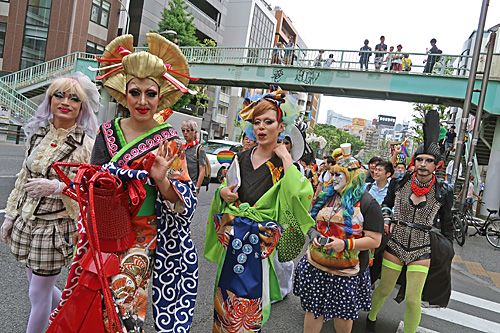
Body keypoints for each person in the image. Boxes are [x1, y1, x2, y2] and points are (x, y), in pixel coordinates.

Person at [49, 33, 199, 333]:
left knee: (126, 300)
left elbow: (183, 200)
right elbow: (89, 183)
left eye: (151, 94)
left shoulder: (170, 140)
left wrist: (161, 180)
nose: (142, 101)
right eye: (135, 92)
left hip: (144, 233)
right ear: (124, 94)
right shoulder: (107, 132)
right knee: (96, 294)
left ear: (161, 96)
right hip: (104, 226)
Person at [204, 85, 315, 332]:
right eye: (256, 122)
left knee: (252, 295)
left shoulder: (284, 164)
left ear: (281, 126)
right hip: (234, 234)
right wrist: (223, 193)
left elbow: (300, 195)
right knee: (225, 290)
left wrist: (287, 158)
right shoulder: (241, 157)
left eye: (269, 122)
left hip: (260, 239)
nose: (261, 127)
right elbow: (225, 188)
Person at [0, 73, 99, 333]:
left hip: (55, 228)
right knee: (36, 283)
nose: (65, 102)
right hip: (28, 221)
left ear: (82, 107)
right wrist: (10, 216)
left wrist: (58, 187)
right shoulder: (37, 136)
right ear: (49, 99)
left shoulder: (86, 145)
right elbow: (23, 177)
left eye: (74, 98)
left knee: (37, 294)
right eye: (59, 95)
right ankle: (72, 317)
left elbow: (91, 187)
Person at [366, 110, 454, 333]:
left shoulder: (444, 190)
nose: (423, 164)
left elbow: (447, 222)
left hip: (423, 248)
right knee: (384, 289)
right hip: (395, 243)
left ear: (437, 165)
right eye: (420, 160)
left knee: (414, 300)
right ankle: (371, 320)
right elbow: (385, 203)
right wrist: (386, 217)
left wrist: (449, 248)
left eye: (429, 161)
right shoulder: (401, 181)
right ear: (414, 163)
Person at [294, 143, 384, 333]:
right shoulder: (326, 197)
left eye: (338, 174)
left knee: (342, 317)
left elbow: (374, 240)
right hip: (316, 266)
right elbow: (309, 222)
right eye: (332, 174)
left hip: (346, 273)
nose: (332, 178)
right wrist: (314, 235)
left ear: (351, 176)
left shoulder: (368, 203)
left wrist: (344, 244)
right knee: (312, 311)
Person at [182, 119, 207, 196]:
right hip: (180, 185)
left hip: (191, 186)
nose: (185, 133)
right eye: (183, 130)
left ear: (195, 132)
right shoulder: (182, 147)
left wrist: (197, 188)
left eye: (188, 130)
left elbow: (202, 170)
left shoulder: (199, 149)